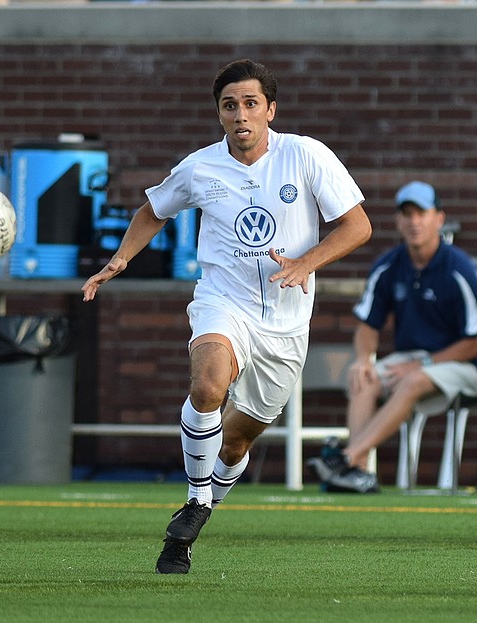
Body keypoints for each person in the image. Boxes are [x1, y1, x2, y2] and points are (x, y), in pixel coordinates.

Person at [81, 59, 372, 574]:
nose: (241, 115)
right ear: (219, 114)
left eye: (251, 104)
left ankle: (200, 513)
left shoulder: (306, 156)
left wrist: (307, 261)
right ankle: (195, 501)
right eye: (229, 105)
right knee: (209, 384)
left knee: (237, 439)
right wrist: (121, 259)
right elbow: (152, 210)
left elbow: (357, 226)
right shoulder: (200, 167)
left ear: (270, 110)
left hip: (286, 323)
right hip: (223, 301)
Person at [307, 181, 477, 493]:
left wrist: (423, 362)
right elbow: (367, 326)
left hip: (466, 366)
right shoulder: (389, 264)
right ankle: (358, 475)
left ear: (439, 218)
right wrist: (364, 359)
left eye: (421, 213)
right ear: (398, 221)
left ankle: (349, 458)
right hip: (410, 362)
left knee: (412, 379)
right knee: (363, 377)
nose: (414, 221)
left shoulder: (459, 268)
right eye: (406, 214)